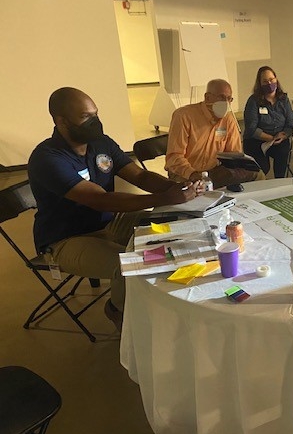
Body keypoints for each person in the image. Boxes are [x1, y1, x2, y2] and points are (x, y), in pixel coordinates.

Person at [28, 87, 200, 330]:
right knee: (128, 265)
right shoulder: (47, 158)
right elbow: (100, 200)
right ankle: (118, 310)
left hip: (108, 223)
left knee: (172, 224)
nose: (95, 122)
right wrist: (162, 198)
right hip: (66, 239)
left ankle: (159, 300)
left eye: (95, 114)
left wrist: (177, 187)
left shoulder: (101, 144)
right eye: (86, 117)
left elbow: (139, 176)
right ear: (61, 121)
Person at [165, 78, 265, 188]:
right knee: (197, 189)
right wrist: (193, 174)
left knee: (257, 174)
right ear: (207, 97)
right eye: (222, 97)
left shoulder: (228, 119)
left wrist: (238, 166)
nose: (226, 103)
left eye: (229, 99)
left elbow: (234, 152)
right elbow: (174, 157)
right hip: (184, 173)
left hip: (212, 171)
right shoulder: (184, 116)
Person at [243, 66, 293, 178]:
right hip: (256, 141)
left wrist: (284, 135)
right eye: (265, 81)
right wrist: (271, 139)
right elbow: (251, 129)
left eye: (271, 79)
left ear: (276, 79)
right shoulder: (253, 101)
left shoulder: (283, 99)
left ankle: (280, 184)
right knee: (263, 169)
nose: (269, 83)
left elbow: (290, 122)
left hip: (279, 138)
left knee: (282, 154)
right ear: (260, 84)